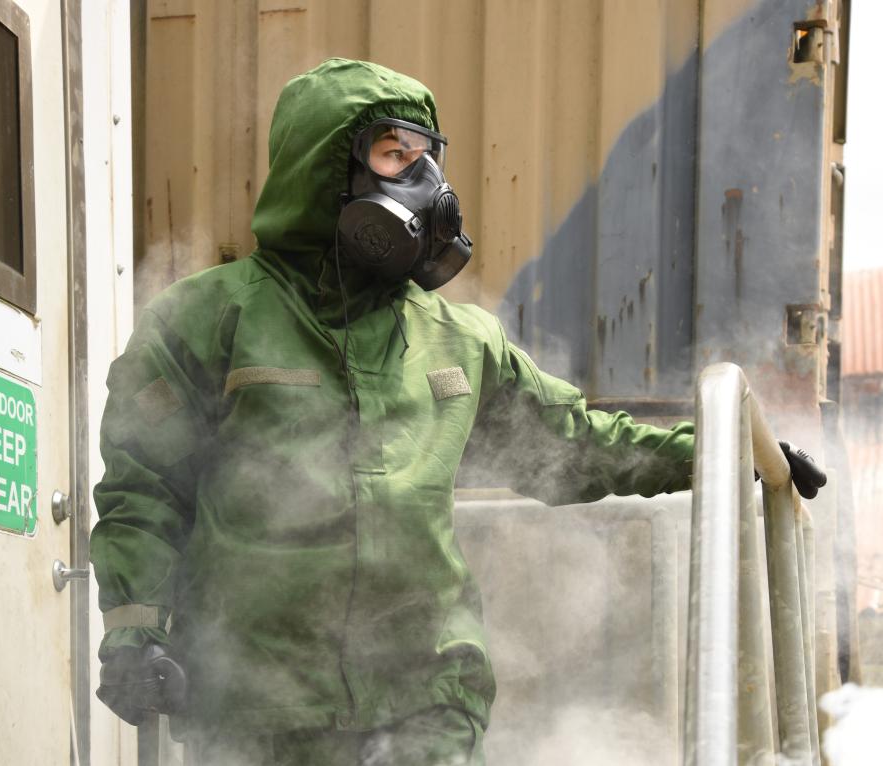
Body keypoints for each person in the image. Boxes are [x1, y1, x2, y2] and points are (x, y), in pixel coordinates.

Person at [90, 58, 824, 765]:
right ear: (326, 171)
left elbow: (572, 444)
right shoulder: (206, 320)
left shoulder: (459, 339)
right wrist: (133, 633)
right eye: (394, 155)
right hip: (259, 707)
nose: (426, 184)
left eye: (428, 158)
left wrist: (726, 453)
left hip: (428, 694)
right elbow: (143, 491)